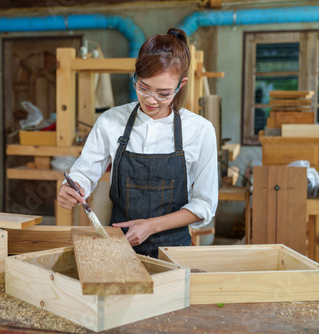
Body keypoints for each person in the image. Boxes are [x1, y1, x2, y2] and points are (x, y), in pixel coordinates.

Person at [57, 28, 218, 258]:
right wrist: (72, 189)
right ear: (135, 77)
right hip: (119, 248)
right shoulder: (111, 121)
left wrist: (151, 225)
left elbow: (204, 206)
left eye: (163, 93)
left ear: (181, 85)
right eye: (143, 87)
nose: (151, 100)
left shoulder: (200, 130)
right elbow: (84, 172)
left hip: (174, 253)